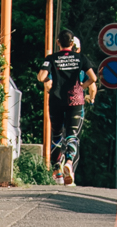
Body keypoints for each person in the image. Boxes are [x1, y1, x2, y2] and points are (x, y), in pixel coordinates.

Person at [37, 30, 91, 185]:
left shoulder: (51, 58)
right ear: (72, 43)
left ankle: (57, 172)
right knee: (72, 135)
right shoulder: (80, 58)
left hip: (56, 100)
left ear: (58, 42)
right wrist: (82, 86)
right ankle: (68, 161)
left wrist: (50, 81)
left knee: (56, 135)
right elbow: (93, 78)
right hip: (75, 100)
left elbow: (41, 77)